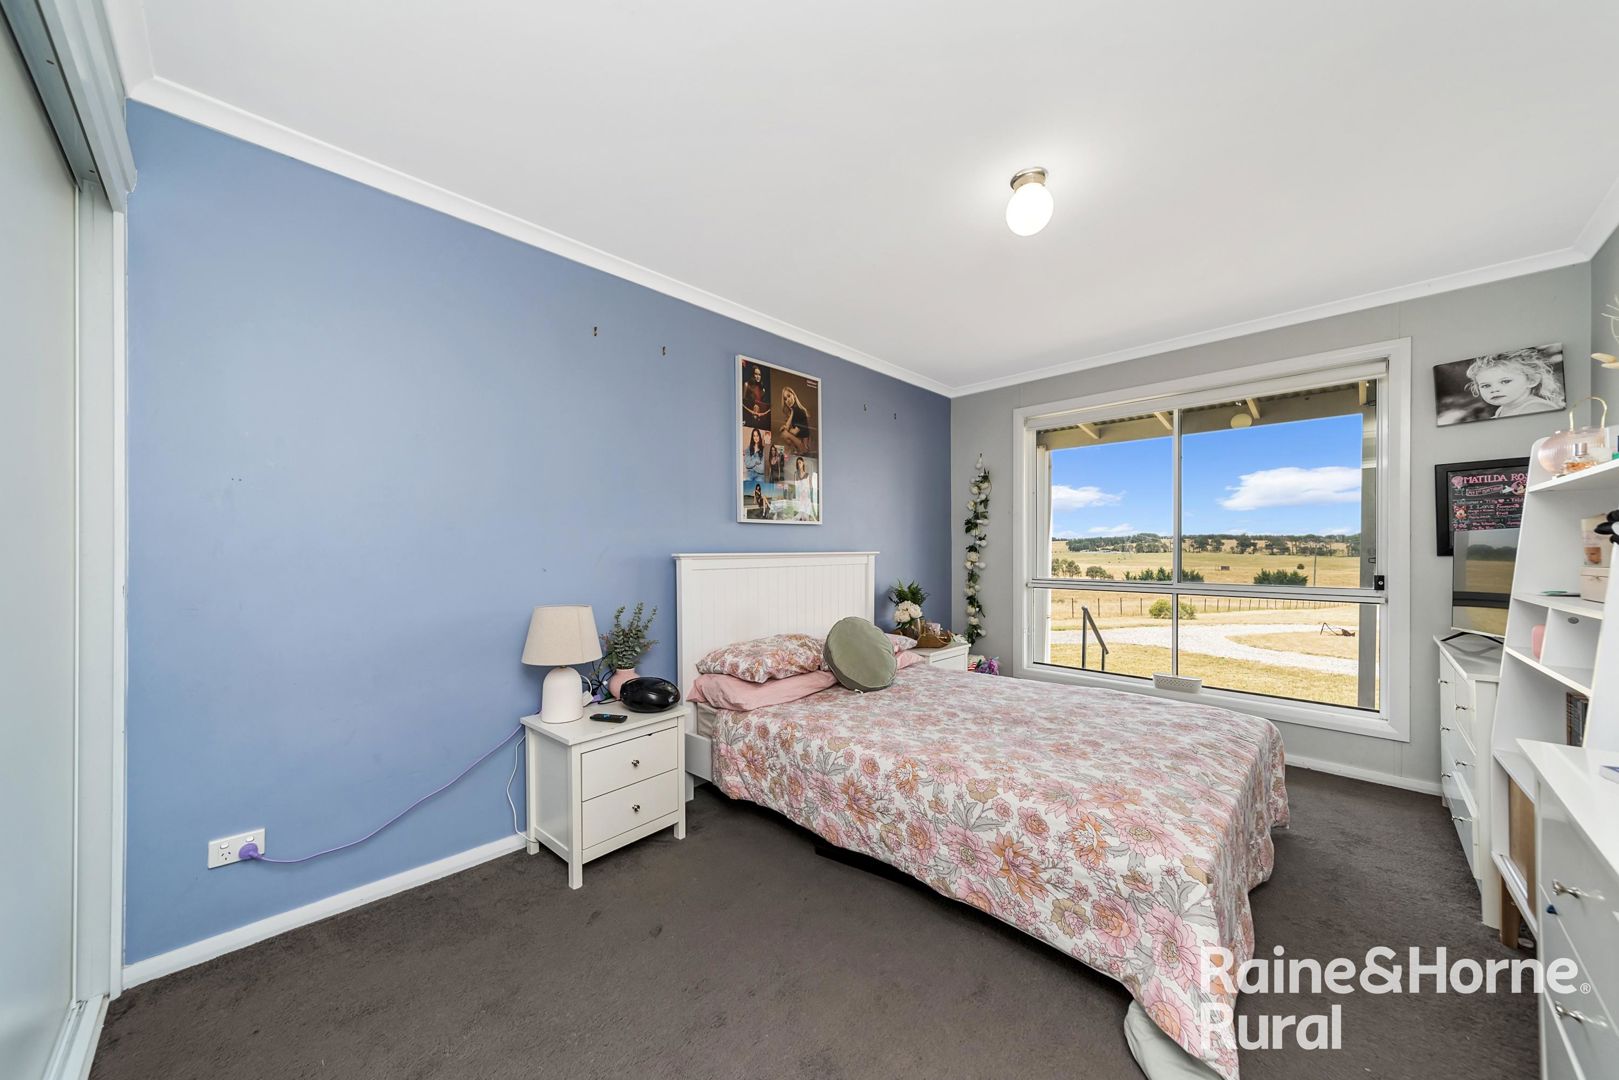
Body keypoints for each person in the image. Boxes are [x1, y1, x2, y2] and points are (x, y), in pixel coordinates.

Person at [1467, 350, 1565, 417]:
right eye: (1486, 385)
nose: (1494, 390)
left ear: (1532, 380)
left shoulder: (1536, 408)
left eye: (1505, 381)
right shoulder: (1502, 408)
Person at [778, 385, 812, 453]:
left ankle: (799, 450)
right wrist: (791, 412)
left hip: (804, 447)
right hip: (801, 442)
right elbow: (787, 426)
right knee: (784, 433)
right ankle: (796, 450)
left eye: (789, 396)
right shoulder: (794, 410)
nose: (788, 400)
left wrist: (786, 429)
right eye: (785, 399)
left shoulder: (798, 411)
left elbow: (794, 432)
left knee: (784, 434)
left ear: (793, 395)